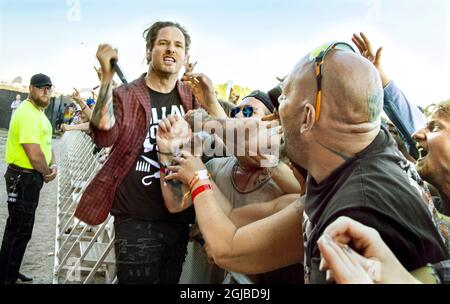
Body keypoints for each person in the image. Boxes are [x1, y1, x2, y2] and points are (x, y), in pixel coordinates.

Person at [278, 41, 448, 283]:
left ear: (308, 117)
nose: (278, 107)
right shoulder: (372, 149)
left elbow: (228, 247)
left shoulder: (360, 213)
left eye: (284, 96)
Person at [73, 21, 218, 284]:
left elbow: (223, 142)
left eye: (178, 45)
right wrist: (107, 76)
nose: (170, 49)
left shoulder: (192, 98)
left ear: (185, 57)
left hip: (178, 218)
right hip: (135, 216)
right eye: (163, 43)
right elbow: (104, 134)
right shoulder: (125, 94)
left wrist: (212, 99)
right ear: (149, 50)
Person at [0, 73, 57, 284]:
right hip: (23, 178)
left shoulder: (39, 113)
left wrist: (53, 164)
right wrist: (47, 171)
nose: (46, 92)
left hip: (30, 178)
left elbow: (46, 144)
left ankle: (10, 271)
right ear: (31, 89)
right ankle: (6, 276)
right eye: (42, 88)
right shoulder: (26, 113)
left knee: (20, 229)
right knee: (19, 230)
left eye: (49, 88)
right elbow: (33, 153)